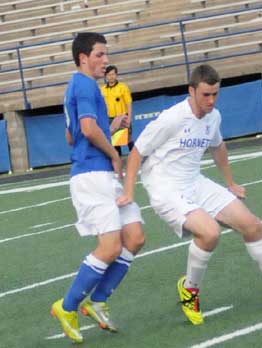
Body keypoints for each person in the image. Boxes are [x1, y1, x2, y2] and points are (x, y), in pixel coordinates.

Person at [117, 64, 262, 325]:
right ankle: (189, 290)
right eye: (205, 95)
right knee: (210, 232)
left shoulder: (213, 117)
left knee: (252, 225)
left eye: (215, 94)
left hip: (194, 182)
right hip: (165, 187)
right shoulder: (172, 118)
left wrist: (230, 183)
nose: (211, 100)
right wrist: (129, 191)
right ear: (191, 91)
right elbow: (136, 153)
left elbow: (218, 147)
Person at [50, 32, 145, 343]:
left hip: (98, 172)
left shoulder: (75, 87)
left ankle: (98, 300)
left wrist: (110, 126)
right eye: (100, 55)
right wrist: (112, 155)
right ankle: (67, 307)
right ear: (83, 59)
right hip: (92, 175)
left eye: (106, 55)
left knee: (134, 237)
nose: (106, 61)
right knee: (110, 247)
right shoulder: (86, 85)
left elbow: (71, 135)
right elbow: (88, 130)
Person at [101, 65, 134, 156]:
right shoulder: (102, 90)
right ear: (106, 76)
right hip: (111, 119)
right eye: (109, 75)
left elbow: (128, 103)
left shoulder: (123, 87)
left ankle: (136, 159)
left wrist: (129, 118)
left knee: (129, 141)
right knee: (115, 143)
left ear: (116, 75)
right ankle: (119, 164)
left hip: (122, 118)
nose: (111, 77)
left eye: (113, 74)